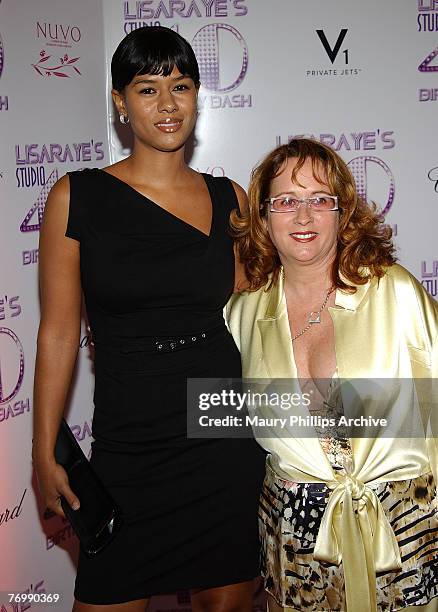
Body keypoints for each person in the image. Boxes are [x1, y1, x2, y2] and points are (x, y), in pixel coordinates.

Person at [32, 26, 265, 611]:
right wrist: (42, 452)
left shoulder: (229, 198)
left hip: (222, 435)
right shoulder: (76, 197)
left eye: (181, 86)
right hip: (129, 440)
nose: (167, 105)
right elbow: (59, 332)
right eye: (147, 88)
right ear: (119, 102)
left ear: (196, 97)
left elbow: (254, 322)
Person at [226, 138, 438, 612]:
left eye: (320, 199)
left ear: (343, 213)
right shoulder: (240, 315)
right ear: (262, 216)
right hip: (295, 543)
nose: (303, 217)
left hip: (404, 532)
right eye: (286, 201)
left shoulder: (393, 291)